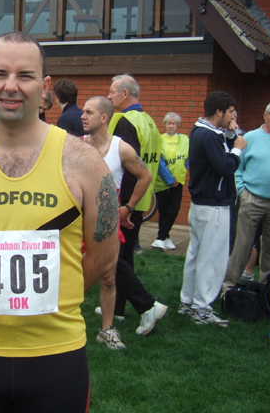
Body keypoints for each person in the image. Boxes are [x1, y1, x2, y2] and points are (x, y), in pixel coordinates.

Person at [0, 32, 119, 412]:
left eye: (25, 75)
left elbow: (103, 255)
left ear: (45, 86)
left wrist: (60, 293)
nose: (11, 86)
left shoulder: (84, 162)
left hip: (56, 352)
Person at [81, 96, 152, 350]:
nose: (83, 116)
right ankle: (63, 325)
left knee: (109, 277)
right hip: (78, 222)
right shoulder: (78, 146)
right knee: (73, 275)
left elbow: (145, 176)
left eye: (89, 112)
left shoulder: (121, 148)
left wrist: (128, 207)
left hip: (108, 222)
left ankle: (107, 330)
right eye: (83, 111)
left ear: (104, 118)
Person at [107, 74, 168, 335]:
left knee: (113, 259)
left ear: (124, 94)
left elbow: (128, 168)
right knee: (124, 256)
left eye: (112, 91)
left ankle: (147, 305)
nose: (109, 96)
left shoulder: (125, 121)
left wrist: (125, 206)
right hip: (141, 199)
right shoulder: (149, 121)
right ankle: (118, 308)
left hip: (126, 202)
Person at [180, 90, 246, 326]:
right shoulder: (208, 135)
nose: (233, 116)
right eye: (230, 111)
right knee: (212, 258)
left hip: (203, 203)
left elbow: (220, 152)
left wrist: (232, 136)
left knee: (196, 254)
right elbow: (225, 166)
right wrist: (238, 148)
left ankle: (188, 301)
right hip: (213, 205)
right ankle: (202, 307)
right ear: (219, 111)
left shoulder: (203, 131)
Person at [223, 100, 270, 291]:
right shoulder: (251, 138)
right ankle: (229, 285)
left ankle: (268, 289)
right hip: (252, 198)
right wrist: (242, 191)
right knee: (242, 244)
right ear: (265, 116)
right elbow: (237, 167)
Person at [152, 112, 189, 250]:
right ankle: (161, 237)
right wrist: (169, 179)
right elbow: (159, 162)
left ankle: (163, 237)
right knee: (164, 210)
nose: (171, 126)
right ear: (165, 124)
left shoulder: (184, 139)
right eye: (168, 123)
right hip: (162, 182)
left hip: (179, 181)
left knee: (174, 210)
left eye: (173, 123)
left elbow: (189, 157)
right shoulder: (159, 139)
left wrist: (185, 168)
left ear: (178, 125)